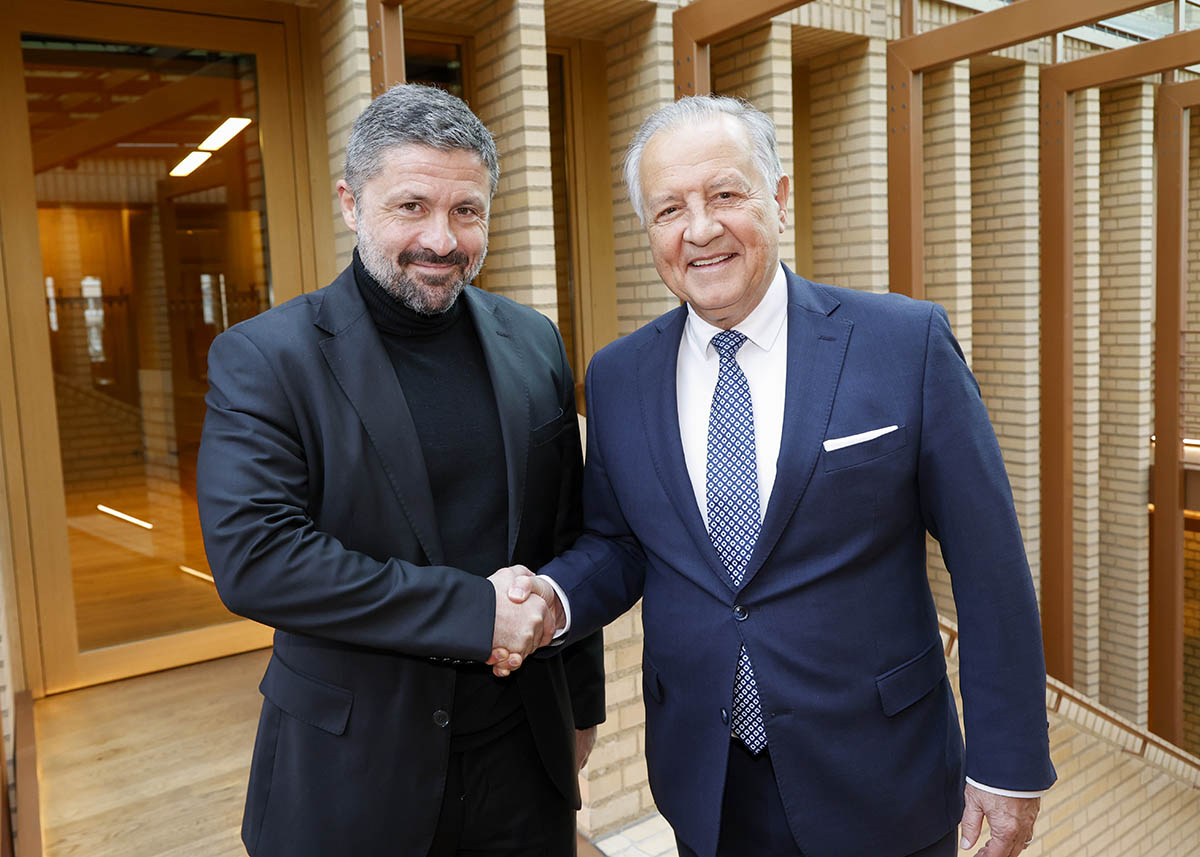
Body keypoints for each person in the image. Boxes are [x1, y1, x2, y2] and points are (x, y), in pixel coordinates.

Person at [495, 95, 1055, 857]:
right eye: (669, 209)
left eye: (725, 194)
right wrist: (553, 599)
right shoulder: (619, 376)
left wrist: (1010, 762)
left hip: (883, 780)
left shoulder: (904, 343)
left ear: (779, 198)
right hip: (709, 786)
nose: (699, 229)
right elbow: (622, 543)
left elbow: (990, 566)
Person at [196, 83, 603, 857]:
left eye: (467, 211)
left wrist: (581, 706)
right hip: (352, 773)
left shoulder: (534, 341)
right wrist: (475, 612)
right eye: (411, 206)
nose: (443, 241)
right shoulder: (265, 359)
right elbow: (258, 560)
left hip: (524, 760)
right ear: (352, 203)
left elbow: (565, 535)